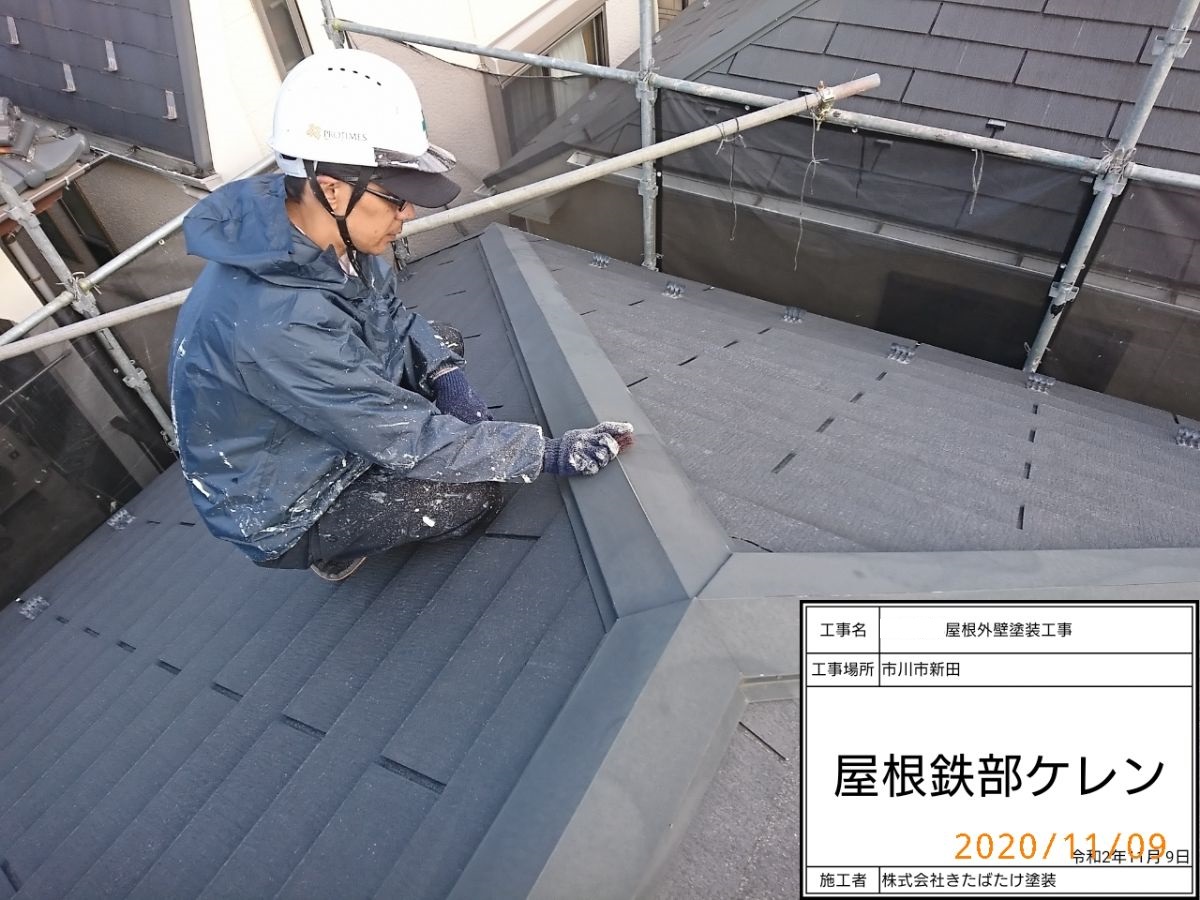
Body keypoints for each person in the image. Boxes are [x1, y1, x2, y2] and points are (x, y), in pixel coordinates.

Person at [169, 48, 633, 581]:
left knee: (441, 341)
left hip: (322, 415)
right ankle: (329, 550)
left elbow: (388, 316)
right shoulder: (275, 324)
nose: (408, 212)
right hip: (288, 496)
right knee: (474, 495)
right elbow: (403, 436)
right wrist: (543, 453)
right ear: (331, 188)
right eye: (396, 197)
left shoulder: (331, 233)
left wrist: (446, 374)